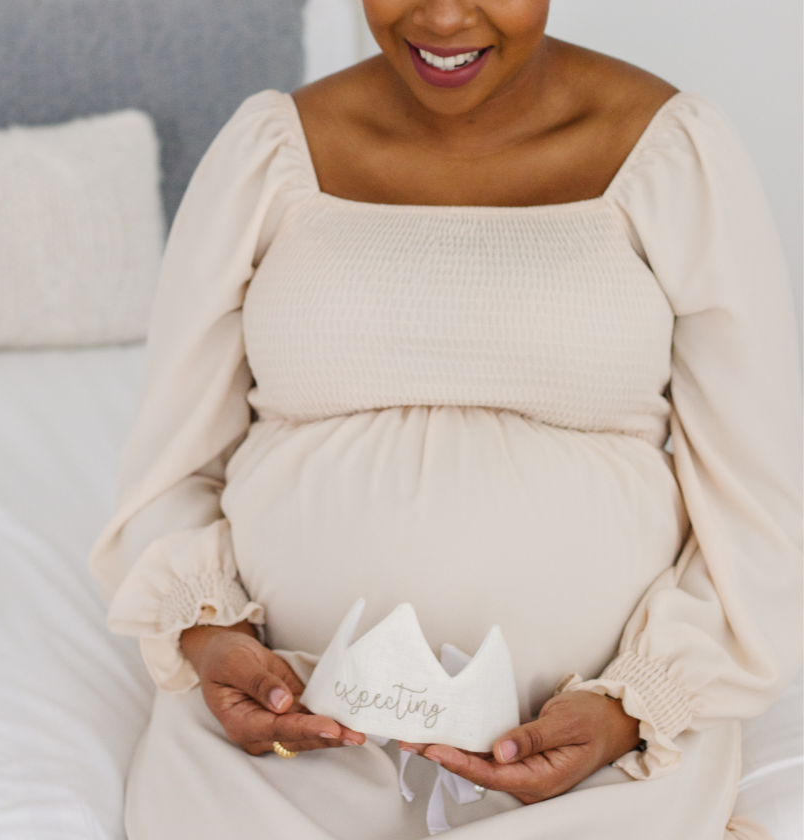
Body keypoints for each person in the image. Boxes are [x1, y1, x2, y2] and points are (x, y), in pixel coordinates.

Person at [90, 1, 804, 838]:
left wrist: (635, 706)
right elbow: (170, 467)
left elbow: (757, 500)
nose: (442, 15)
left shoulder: (672, 155)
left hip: (594, 751)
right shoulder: (269, 156)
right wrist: (212, 637)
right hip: (288, 737)